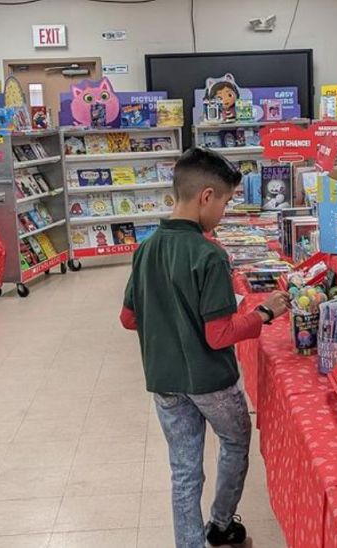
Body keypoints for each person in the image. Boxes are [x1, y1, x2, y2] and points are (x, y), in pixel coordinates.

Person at [119, 148, 290, 548]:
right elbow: (218, 335)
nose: (225, 213)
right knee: (234, 440)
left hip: (164, 380)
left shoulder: (145, 249)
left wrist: (165, 316)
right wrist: (264, 313)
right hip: (211, 380)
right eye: (227, 203)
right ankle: (221, 524)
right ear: (206, 197)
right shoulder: (209, 254)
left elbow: (128, 319)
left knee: (183, 469)